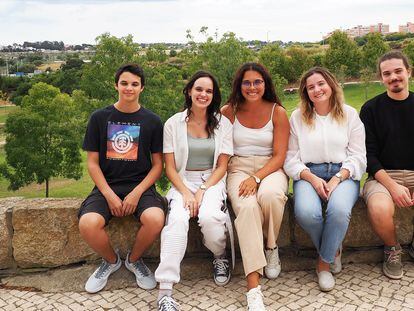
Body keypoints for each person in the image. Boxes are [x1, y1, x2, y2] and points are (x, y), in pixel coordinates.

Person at [78, 64, 165, 293]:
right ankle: (111, 261)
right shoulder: (99, 118)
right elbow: (92, 163)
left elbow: (158, 166)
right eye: (124, 83)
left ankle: (134, 260)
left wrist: (137, 193)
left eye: (134, 84)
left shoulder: (153, 121)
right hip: (107, 186)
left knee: (156, 219)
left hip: (142, 187)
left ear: (142, 88)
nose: (129, 88)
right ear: (116, 85)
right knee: (88, 224)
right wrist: (108, 194)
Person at [155, 71, 233, 311]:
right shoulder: (173, 123)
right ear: (189, 91)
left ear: (214, 95)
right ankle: (165, 291)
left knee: (210, 217)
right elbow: (169, 168)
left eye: (209, 91)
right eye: (199, 89)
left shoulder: (223, 123)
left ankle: (220, 256)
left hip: (211, 180)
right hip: (181, 180)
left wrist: (201, 190)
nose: (203, 94)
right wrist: (187, 193)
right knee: (177, 219)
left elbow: (222, 166)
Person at [284, 67, 366, 291]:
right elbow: (290, 158)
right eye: (311, 87)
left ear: (331, 84)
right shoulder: (297, 117)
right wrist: (311, 178)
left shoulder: (349, 114)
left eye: (321, 84)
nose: (317, 89)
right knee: (307, 213)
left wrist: (338, 178)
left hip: (344, 173)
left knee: (338, 211)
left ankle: (323, 264)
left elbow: (359, 156)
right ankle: (333, 249)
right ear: (305, 92)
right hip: (308, 173)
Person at [222, 62, 289, 310]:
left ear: (265, 84)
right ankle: (253, 288)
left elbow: (280, 155)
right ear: (239, 85)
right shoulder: (228, 112)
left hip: (270, 167)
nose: (252, 87)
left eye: (257, 82)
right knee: (248, 207)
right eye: (247, 82)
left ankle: (271, 247)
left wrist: (258, 178)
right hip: (237, 167)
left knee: (271, 196)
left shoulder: (277, 112)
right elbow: (220, 150)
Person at [360, 50, 414, 280]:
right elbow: (368, 156)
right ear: (381, 78)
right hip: (382, 176)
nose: (393, 77)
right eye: (387, 73)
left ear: (409, 72)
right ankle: (392, 249)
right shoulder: (371, 109)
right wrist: (392, 186)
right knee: (380, 207)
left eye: (398, 71)